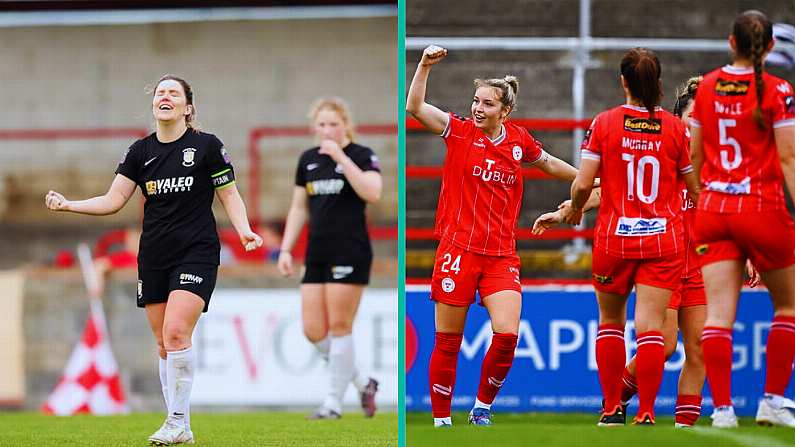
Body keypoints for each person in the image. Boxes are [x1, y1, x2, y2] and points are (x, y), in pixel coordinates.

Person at [45, 75, 263, 445]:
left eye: (173, 93)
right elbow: (113, 200)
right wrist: (70, 204)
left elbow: (229, 194)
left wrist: (243, 229)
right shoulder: (138, 152)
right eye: (160, 92)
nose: (165, 96)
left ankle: (175, 421)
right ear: (154, 105)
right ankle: (182, 427)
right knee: (164, 344)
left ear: (187, 107)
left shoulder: (207, 146)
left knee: (178, 332)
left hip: (196, 253)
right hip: (154, 257)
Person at [536, 77, 759, 427]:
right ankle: (618, 398)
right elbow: (609, 189)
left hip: (701, 264)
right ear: (679, 117)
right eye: (692, 115)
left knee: (699, 347)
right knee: (666, 344)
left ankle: (683, 427)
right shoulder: (665, 149)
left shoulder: (719, 162)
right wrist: (567, 211)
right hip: (665, 258)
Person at [407, 45, 581, 427]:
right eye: (475, 100)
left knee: (507, 335)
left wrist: (588, 179)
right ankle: (441, 420)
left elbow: (549, 163)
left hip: (501, 255)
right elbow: (415, 108)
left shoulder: (518, 141)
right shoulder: (459, 132)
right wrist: (423, 66)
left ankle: (481, 408)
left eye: (487, 103)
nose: (477, 108)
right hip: (458, 250)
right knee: (448, 342)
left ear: (505, 111)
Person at [559, 48, 700, 426]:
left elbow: (584, 182)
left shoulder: (604, 123)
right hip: (662, 241)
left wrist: (574, 207)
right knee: (652, 329)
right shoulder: (676, 130)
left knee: (610, 322)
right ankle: (648, 411)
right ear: (658, 84)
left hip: (614, 239)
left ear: (623, 82)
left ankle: (610, 409)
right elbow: (694, 186)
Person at [689, 10, 795, 428]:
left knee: (718, 315)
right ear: (770, 47)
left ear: (730, 43)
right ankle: (771, 400)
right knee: (787, 306)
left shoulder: (708, 86)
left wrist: (707, 197)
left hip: (714, 210)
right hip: (762, 208)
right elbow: (788, 158)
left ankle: (722, 410)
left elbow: (694, 156)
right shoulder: (779, 90)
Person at [277, 97, 381, 420]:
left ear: (345, 125)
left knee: (339, 326)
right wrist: (285, 248)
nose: (327, 130)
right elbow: (298, 207)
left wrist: (341, 158)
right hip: (316, 252)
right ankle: (364, 382)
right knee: (312, 329)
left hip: (350, 250)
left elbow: (372, 192)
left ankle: (333, 403)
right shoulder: (308, 159)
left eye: (333, 124)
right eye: (321, 124)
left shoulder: (362, 155)